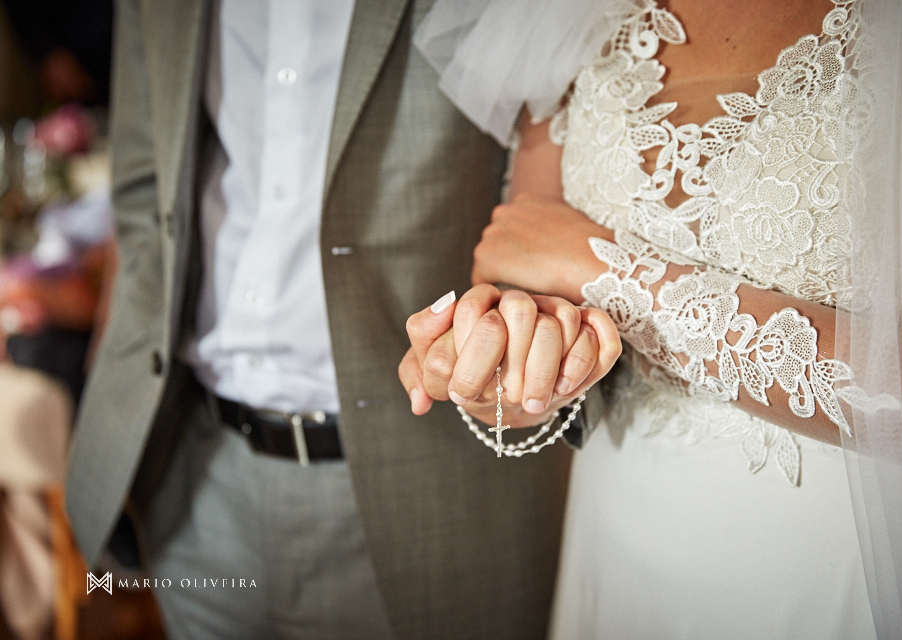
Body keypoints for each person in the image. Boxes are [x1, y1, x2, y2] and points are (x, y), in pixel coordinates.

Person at [62, 0, 617, 638]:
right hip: (195, 473)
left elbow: (545, 198)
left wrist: (510, 344)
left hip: (425, 491)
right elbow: (143, 189)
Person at [408, 0, 902, 638]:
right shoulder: (567, 12)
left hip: (846, 554)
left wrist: (605, 268)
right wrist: (497, 366)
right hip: (619, 530)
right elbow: (519, 273)